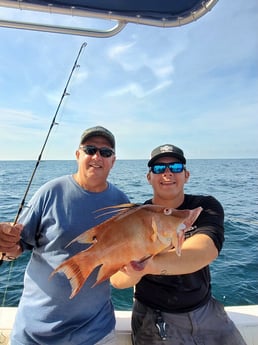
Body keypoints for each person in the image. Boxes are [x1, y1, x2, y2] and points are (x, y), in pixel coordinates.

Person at [0, 125, 129, 345]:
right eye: (90, 150)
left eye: (105, 152)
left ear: (113, 161)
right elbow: (19, 246)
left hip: (96, 333)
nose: (97, 156)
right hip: (34, 333)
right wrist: (6, 242)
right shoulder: (49, 192)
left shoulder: (122, 204)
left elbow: (125, 258)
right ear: (78, 155)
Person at [111, 144, 247, 345]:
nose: (167, 173)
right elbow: (117, 280)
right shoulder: (135, 218)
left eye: (175, 167)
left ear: (186, 175)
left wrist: (148, 264)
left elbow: (205, 250)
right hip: (154, 319)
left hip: (207, 311)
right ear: (149, 177)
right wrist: (133, 271)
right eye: (158, 168)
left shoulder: (203, 207)